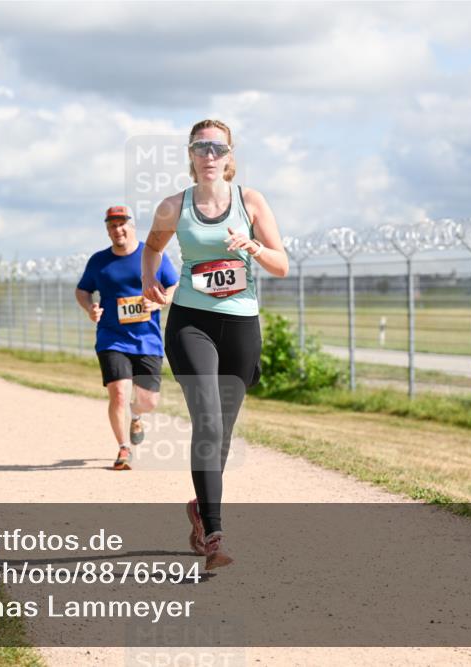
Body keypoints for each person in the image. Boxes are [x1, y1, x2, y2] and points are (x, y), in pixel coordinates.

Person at [142, 119, 288, 570]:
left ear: (229, 155)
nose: (209, 154)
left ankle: (199, 510)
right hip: (191, 323)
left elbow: (281, 264)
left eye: (217, 147)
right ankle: (215, 535)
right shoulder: (173, 206)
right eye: (201, 146)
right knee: (206, 420)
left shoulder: (251, 201)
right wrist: (150, 279)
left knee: (221, 432)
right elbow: (152, 248)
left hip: (242, 325)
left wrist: (254, 248)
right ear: (190, 154)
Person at [76, 205, 179, 471]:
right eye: (112, 225)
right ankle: (123, 448)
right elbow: (82, 290)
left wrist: (159, 303)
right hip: (112, 338)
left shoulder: (152, 255)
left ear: (132, 225)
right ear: (107, 229)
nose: (117, 229)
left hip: (147, 340)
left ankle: (136, 416)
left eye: (122, 224)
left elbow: (173, 284)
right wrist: (90, 307)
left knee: (148, 401)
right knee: (119, 394)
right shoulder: (99, 261)